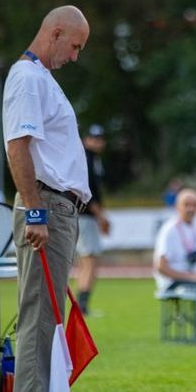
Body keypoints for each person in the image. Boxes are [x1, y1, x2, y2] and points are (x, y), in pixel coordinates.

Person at [3, 5, 91, 392]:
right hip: (47, 206)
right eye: (74, 46)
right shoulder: (29, 79)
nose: (75, 56)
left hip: (57, 207)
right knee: (38, 317)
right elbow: (17, 146)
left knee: (44, 318)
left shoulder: (40, 80)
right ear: (55, 33)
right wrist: (35, 212)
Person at [153, 187, 196, 293]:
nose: (191, 209)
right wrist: (190, 277)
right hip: (173, 283)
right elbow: (161, 267)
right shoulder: (170, 230)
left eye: (194, 205)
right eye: (186, 205)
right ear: (177, 207)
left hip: (192, 280)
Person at [75, 124, 111, 317]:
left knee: (85, 261)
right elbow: (89, 193)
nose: (98, 142)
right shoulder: (87, 159)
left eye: (100, 138)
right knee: (90, 260)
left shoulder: (92, 159)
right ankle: (82, 306)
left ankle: (80, 305)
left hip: (84, 216)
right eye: (94, 138)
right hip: (86, 216)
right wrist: (101, 216)